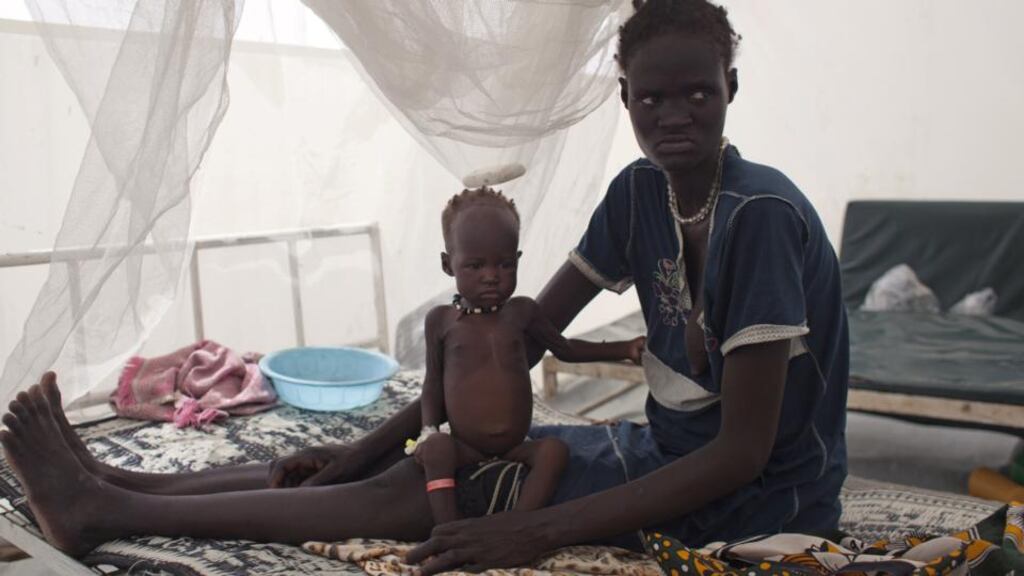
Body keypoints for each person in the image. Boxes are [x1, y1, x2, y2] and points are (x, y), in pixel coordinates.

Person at [0, 0, 848, 573]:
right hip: (665, 451)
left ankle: (105, 511)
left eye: (699, 92)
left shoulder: (760, 217)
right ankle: (126, 489)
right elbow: (508, 342)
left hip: (760, 496)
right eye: (652, 97)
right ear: (624, 99)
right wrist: (366, 443)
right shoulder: (639, 194)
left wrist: (527, 533)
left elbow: (742, 452)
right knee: (407, 463)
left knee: (436, 492)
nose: (675, 114)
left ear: (731, 89)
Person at [412, 187, 644, 524]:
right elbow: (433, 384)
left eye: (504, 264)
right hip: (466, 447)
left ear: (518, 260)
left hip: (516, 445)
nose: (491, 275)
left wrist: (622, 348)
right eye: (475, 266)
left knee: (553, 452)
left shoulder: (521, 313)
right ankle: (448, 528)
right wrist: (428, 430)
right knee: (435, 450)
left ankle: (517, 525)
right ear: (449, 265)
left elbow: (565, 349)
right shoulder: (441, 321)